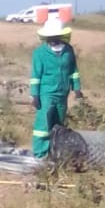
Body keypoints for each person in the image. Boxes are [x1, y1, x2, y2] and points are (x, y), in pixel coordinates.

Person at [30, 14, 83, 158]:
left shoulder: (68, 51)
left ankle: (55, 152)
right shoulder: (39, 53)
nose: (53, 38)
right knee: (43, 123)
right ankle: (40, 154)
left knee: (58, 124)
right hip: (46, 93)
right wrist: (34, 95)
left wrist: (76, 88)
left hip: (62, 93)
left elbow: (73, 71)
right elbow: (35, 76)